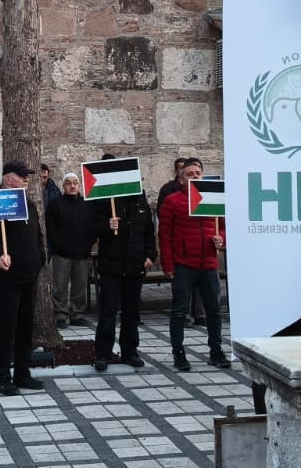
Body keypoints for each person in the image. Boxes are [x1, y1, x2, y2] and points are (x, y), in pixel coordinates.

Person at [157, 157, 229, 370]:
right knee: (179, 310)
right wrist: (168, 265)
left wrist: (222, 239)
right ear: (181, 180)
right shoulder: (172, 201)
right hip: (183, 264)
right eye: (190, 174)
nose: (195, 177)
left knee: (214, 310)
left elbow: (224, 226)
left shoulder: (213, 198)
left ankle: (216, 350)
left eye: (198, 174)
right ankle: (179, 353)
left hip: (208, 263)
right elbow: (165, 235)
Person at [0, 162, 46, 396]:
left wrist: (41, 257)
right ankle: (1, 377)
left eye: (27, 175)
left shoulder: (29, 203)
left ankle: (22, 373)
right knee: (7, 328)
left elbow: (37, 233)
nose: (27, 179)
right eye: (22, 176)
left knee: (26, 327)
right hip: (9, 277)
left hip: (30, 274)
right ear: (8, 179)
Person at [93, 184, 155, 371]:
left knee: (131, 313)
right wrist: (107, 225)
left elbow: (149, 235)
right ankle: (103, 354)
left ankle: (130, 352)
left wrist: (150, 255)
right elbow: (92, 228)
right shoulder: (107, 202)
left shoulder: (142, 205)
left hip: (135, 267)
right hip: (112, 267)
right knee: (108, 313)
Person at [46, 172, 94, 328]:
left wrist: (88, 244)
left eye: (75, 183)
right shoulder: (55, 204)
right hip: (62, 253)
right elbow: (51, 229)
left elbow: (92, 228)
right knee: (60, 286)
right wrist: (59, 246)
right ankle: (60, 315)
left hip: (82, 253)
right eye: (68, 183)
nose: (72, 186)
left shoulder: (87, 204)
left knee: (80, 286)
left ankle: (77, 314)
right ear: (63, 186)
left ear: (79, 186)